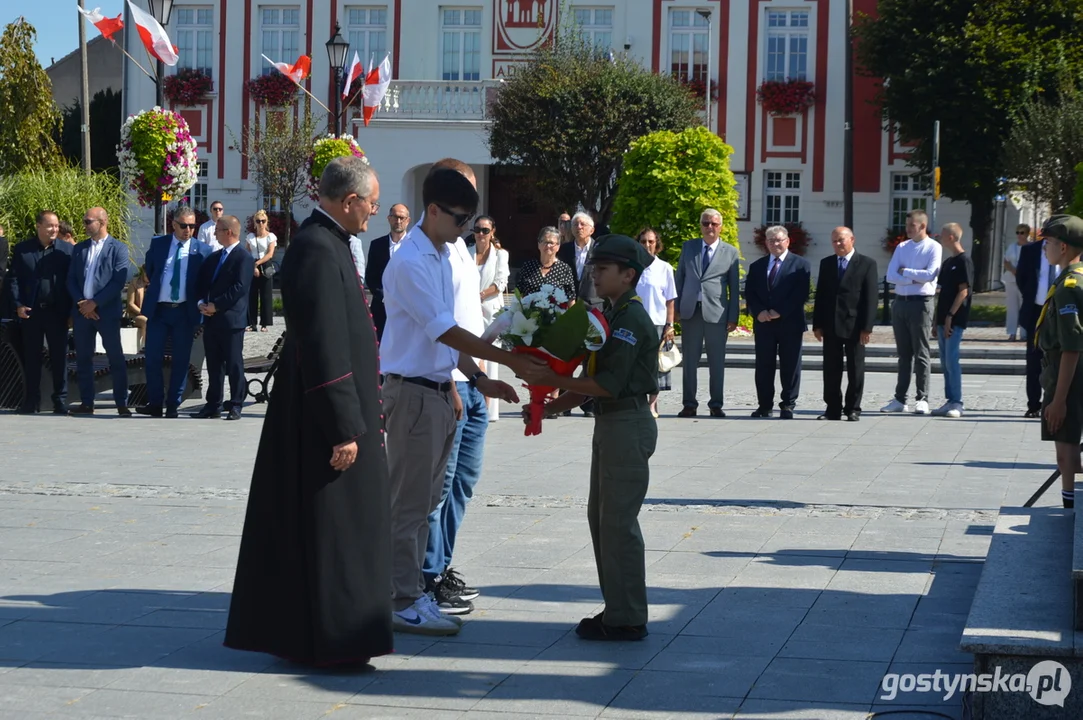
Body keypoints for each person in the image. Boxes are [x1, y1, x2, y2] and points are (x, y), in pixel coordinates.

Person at [225, 156, 392, 666]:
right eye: (371, 203)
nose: (375, 212)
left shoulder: (328, 242)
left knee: (331, 529)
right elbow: (324, 346)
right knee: (336, 530)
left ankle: (315, 633)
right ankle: (335, 637)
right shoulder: (319, 249)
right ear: (348, 201)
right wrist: (344, 427)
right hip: (327, 419)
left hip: (334, 411)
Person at [381, 167, 536, 636]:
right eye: (461, 218)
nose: (467, 228)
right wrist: (506, 362)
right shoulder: (410, 261)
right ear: (432, 210)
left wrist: (474, 379)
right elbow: (444, 329)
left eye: (472, 220)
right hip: (410, 392)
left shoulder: (444, 254)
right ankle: (399, 599)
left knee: (429, 500)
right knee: (408, 504)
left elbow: (447, 342)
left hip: (437, 388)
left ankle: (411, 591)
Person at [528, 234, 659, 641]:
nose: (594, 274)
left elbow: (610, 383)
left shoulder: (632, 319)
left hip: (626, 422)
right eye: (595, 267)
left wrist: (550, 379)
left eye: (603, 269)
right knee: (601, 520)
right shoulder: (612, 314)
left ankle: (628, 616)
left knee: (617, 523)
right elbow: (590, 380)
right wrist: (549, 405)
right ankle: (617, 608)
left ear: (628, 274)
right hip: (610, 424)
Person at [137, 206, 212, 418]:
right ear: (173, 224)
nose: (188, 230)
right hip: (160, 311)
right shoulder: (159, 244)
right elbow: (150, 270)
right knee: (152, 358)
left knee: (181, 359)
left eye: (191, 226)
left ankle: (173, 404)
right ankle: (155, 402)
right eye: (183, 225)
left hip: (184, 312)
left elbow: (205, 282)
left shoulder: (202, 250)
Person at [1035, 215, 1083, 510]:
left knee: (1066, 454)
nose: (1045, 249)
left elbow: (1072, 346)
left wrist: (1060, 400)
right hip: (1072, 373)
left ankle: (1070, 510)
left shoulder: (1068, 285)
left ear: (1063, 247)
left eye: (1048, 243)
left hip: (1069, 377)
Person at [674, 208, 740, 418]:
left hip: (717, 314)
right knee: (690, 361)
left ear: (720, 227)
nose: (709, 227)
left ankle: (716, 404)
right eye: (705, 223)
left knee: (716, 361)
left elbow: (734, 288)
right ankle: (689, 404)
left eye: (713, 224)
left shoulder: (730, 252)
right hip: (691, 312)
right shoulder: (689, 247)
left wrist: (733, 317)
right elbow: (680, 279)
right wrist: (675, 309)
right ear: (700, 226)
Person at [67, 207, 131, 416]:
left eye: (88, 221)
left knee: (115, 357)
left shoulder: (118, 249)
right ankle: (87, 402)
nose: (84, 225)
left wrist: (94, 303)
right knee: (83, 357)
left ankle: (121, 402)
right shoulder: (80, 249)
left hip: (106, 312)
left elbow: (117, 282)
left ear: (102, 222)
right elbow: (71, 279)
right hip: (82, 313)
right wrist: (82, 304)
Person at [8, 210, 73, 414]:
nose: (54, 229)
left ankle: (60, 400)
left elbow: (73, 281)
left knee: (59, 358)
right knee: (32, 358)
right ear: (38, 226)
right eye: (50, 226)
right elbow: (14, 280)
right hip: (31, 313)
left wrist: (72, 311)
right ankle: (31, 401)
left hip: (58, 313)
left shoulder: (67, 251)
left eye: (56, 226)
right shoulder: (22, 250)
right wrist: (18, 304)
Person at [744, 225, 811, 419]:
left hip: (790, 323)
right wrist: (759, 312)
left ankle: (788, 405)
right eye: (771, 240)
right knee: (764, 365)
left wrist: (778, 311)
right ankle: (764, 405)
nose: (775, 243)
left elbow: (801, 294)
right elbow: (750, 292)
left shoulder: (800, 265)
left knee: (790, 366)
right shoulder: (757, 266)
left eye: (779, 240)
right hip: (764, 323)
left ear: (788, 241)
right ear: (766, 243)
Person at [192, 215, 255, 420]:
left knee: (234, 363)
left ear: (229, 232)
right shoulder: (213, 257)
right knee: (213, 364)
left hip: (231, 320)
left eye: (217, 230)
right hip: (211, 320)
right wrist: (201, 302)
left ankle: (236, 403)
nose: (214, 233)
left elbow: (239, 288)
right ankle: (213, 404)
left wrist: (216, 306)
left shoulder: (244, 257)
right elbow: (202, 283)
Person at [812, 227, 878, 421]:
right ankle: (832, 408)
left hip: (855, 325)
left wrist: (867, 327)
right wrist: (817, 324)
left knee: (855, 368)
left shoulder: (866, 264)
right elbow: (821, 295)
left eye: (841, 240)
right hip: (831, 324)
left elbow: (871, 298)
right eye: (834, 241)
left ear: (852, 240)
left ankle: (853, 408)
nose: (837, 244)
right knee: (831, 368)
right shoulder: (827, 263)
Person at [882, 209, 941, 415]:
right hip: (901, 301)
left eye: (912, 226)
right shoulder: (902, 247)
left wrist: (905, 272)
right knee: (903, 353)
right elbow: (890, 275)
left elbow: (930, 275)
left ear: (922, 226)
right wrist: (912, 278)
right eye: (907, 226)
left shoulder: (934, 247)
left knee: (921, 352)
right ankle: (900, 398)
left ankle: (922, 397)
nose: (907, 229)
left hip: (921, 302)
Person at [932, 223, 974, 418]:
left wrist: (950, 316)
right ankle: (949, 400)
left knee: (952, 360)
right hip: (942, 319)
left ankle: (957, 402)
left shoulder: (964, 260)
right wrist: (936, 320)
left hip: (954, 320)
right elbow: (942, 293)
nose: (939, 236)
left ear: (951, 237)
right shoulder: (949, 262)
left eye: (942, 234)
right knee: (944, 361)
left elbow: (963, 291)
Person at [635, 228, 677, 418]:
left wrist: (670, 324)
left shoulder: (664, 267)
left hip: (657, 322)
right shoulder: (632, 266)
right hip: (635, 322)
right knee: (636, 365)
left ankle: (653, 404)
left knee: (655, 366)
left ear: (656, 244)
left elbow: (670, 299)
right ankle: (638, 403)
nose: (647, 245)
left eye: (651, 241)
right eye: (643, 241)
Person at [472, 214, 509, 421]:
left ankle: (490, 409)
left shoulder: (500, 255)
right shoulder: (466, 253)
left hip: (490, 310)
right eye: (477, 229)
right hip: (469, 309)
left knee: (490, 357)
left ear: (492, 232)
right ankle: (475, 401)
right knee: (474, 355)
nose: (480, 234)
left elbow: (500, 283)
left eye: (485, 230)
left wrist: (480, 295)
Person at [1019, 233, 1056, 418]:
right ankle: (1034, 404)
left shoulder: (1070, 249)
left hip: (1058, 312)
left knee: (1056, 358)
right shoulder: (1030, 250)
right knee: (1033, 359)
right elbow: (1022, 278)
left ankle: (1053, 403)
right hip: (1035, 310)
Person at [364, 203, 410, 340]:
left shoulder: (415, 246)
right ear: (389, 218)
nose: (399, 221)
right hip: (382, 310)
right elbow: (371, 277)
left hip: (408, 311)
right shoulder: (377, 245)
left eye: (402, 218)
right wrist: (386, 297)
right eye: (395, 217)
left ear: (408, 220)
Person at [516, 226, 577, 300]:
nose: (548, 246)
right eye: (545, 242)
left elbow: (571, 298)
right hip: (529, 310)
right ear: (539, 244)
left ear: (558, 246)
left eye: (551, 243)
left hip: (557, 311)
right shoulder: (528, 266)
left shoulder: (564, 269)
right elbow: (518, 295)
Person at [558, 212, 601, 309]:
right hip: (568, 306)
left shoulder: (599, 250)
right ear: (572, 229)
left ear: (592, 230)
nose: (579, 227)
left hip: (593, 307)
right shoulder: (564, 250)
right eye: (575, 224)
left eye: (583, 224)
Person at [246, 209, 277, 332]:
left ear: (266, 222)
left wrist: (257, 264)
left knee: (266, 295)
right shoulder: (250, 237)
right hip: (253, 264)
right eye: (258, 221)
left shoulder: (271, 237)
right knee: (252, 295)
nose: (260, 223)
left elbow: (270, 254)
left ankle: (265, 323)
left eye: (263, 221)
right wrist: (252, 266)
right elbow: (247, 252)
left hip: (265, 265)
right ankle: (251, 323)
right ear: (254, 223)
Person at [1003, 224, 1030, 341]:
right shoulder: (1012, 246)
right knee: (1012, 306)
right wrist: (1014, 271)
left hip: (1025, 281)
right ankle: (1012, 332)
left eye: (1022, 233)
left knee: (1024, 306)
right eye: (1017, 232)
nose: (1019, 235)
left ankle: (1024, 333)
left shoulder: (1031, 247)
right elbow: (1006, 261)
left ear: (1027, 234)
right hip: (1011, 279)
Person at [125, 267, 148, 349]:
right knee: (146, 321)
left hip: (152, 314)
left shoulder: (155, 283)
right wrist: (144, 312)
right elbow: (131, 304)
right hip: (136, 315)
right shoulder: (135, 283)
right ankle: (144, 347)